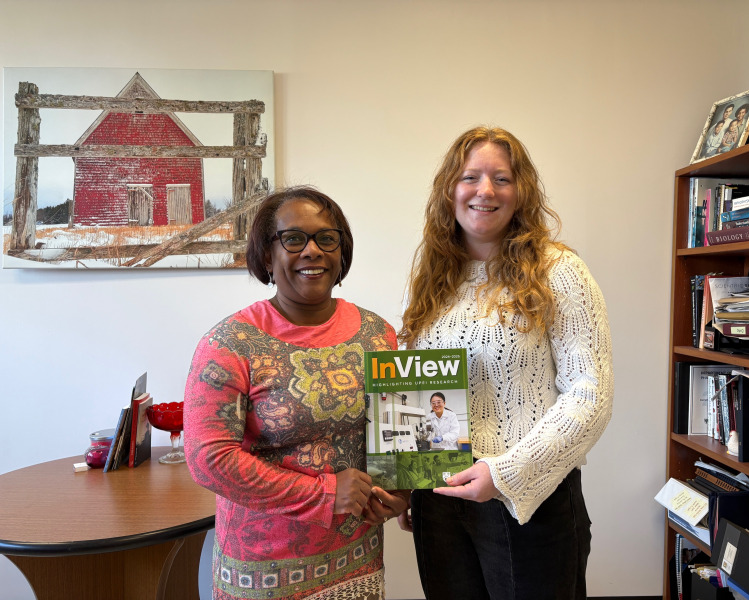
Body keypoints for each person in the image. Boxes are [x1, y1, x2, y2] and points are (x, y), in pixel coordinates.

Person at [397, 126, 614, 600]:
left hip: (528, 499)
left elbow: (590, 395)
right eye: (470, 177)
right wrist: (410, 474)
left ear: (522, 193)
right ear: (449, 191)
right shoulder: (435, 279)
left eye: (502, 178)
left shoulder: (560, 271)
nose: (485, 191)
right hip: (440, 498)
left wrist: (506, 473)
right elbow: (417, 386)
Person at [184, 186, 409, 600]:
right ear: (267, 256)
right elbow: (208, 460)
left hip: (356, 559)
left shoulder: (380, 334)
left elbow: (397, 432)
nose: (312, 251)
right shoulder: (229, 344)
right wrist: (324, 493)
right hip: (262, 570)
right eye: (293, 239)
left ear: (342, 253)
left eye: (327, 238)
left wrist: (400, 491)